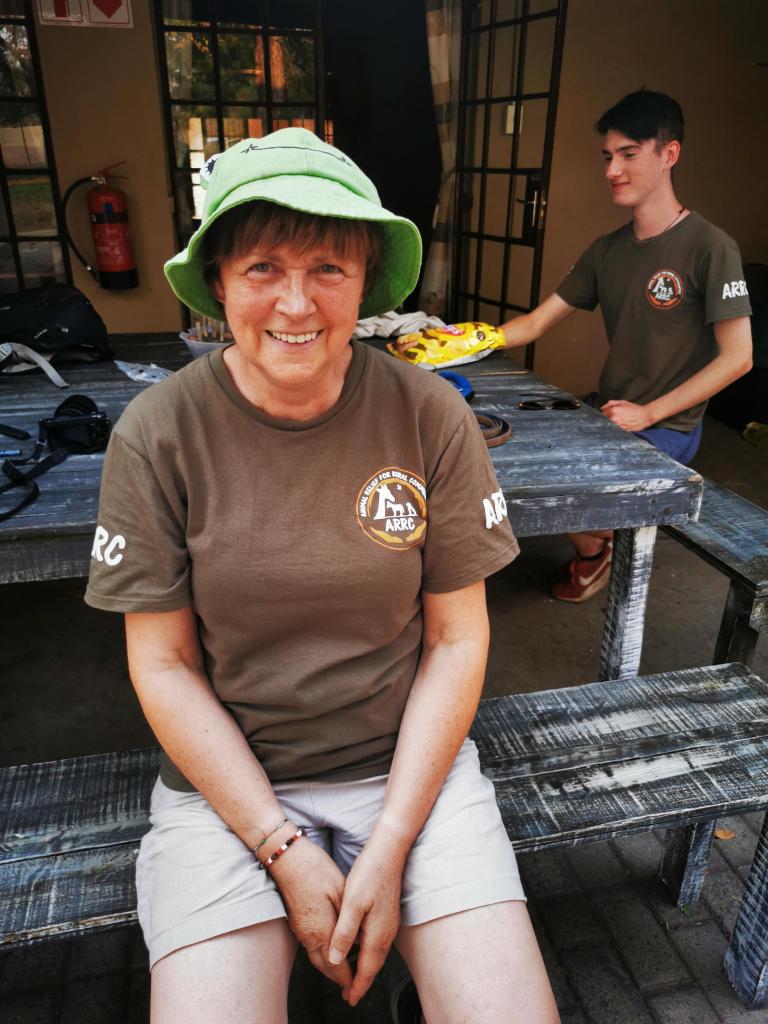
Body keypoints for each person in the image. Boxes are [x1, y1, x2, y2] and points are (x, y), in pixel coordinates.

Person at [85, 128, 559, 1024]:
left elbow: (457, 639)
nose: (296, 303)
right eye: (262, 267)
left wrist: (393, 840)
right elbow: (164, 664)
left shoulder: (430, 415)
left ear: (367, 282)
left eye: (328, 268)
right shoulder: (157, 434)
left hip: (409, 771)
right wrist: (281, 844)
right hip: (228, 790)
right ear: (219, 282)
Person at [497, 90, 753, 602]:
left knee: (557, 495)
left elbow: (739, 358)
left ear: (669, 153)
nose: (612, 170)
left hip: (666, 426)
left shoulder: (711, 247)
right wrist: (456, 340)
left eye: (628, 154)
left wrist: (649, 412)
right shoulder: (607, 250)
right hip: (610, 410)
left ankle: (602, 546)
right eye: (608, 156)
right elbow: (535, 323)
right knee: (509, 453)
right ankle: (597, 550)